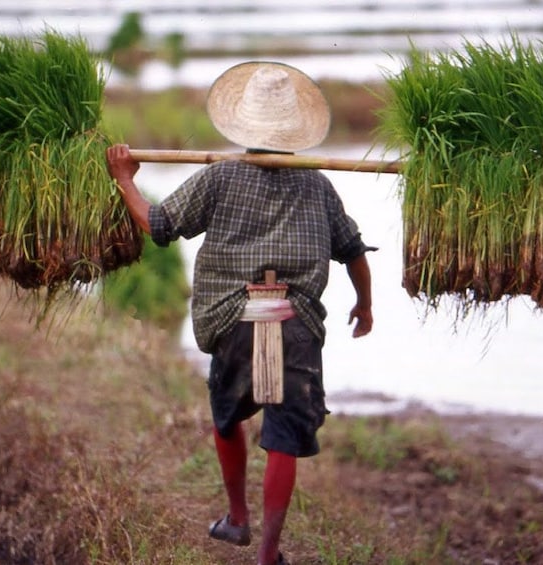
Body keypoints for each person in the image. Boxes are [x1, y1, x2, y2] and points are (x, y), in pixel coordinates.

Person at [106, 61, 374, 565]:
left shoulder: (222, 176)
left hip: (235, 318)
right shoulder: (316, 184)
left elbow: (158, 224)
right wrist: (365, 302)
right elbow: (353, 250)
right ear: (294, 131)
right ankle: (268, 553)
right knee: (284, 437)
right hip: (296, 321)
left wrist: (125, 180)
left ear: (245, 126)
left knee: (227, 418)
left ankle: (238, 518)